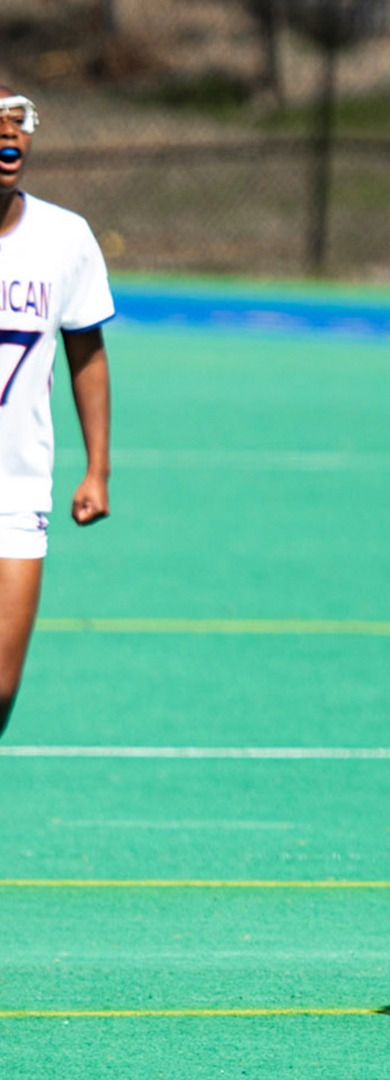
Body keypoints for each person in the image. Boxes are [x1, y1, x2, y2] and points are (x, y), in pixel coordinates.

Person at [0, 86, 113, 732]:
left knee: (1, 685)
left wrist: (97, 467)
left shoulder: (65, 238)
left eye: (20, 123)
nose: (8, 135)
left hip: (16, 492)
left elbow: (88, 355)